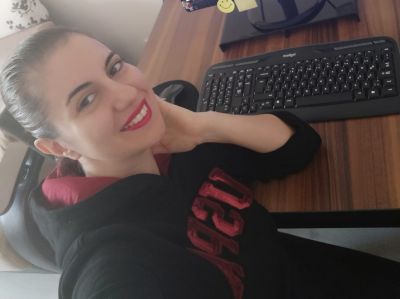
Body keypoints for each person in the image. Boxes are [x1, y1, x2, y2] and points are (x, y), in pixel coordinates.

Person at [0, 26, 399, 299]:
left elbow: (296, 147)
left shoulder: (166, 140)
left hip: (304, 270)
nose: (126, 94)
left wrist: (204, 125)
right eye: (87, 100)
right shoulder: (110, 258)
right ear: (58, 147)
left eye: (115, 68)